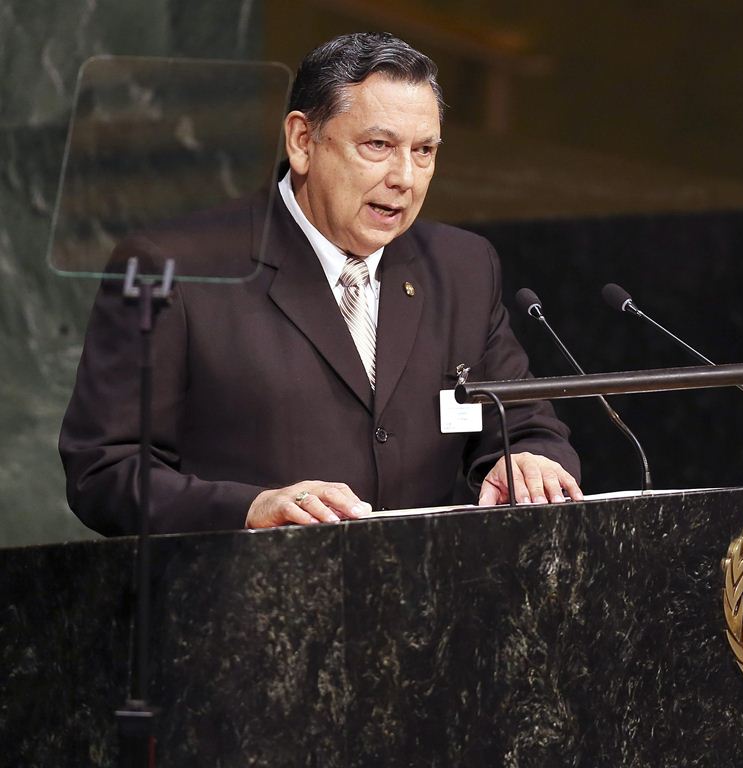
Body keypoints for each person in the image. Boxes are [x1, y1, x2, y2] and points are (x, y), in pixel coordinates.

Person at [60, 32, 582, 536]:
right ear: (302, 141)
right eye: (378, 145)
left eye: (424, 150)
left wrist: (531, 460)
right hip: (247, 588)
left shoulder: (462, 267)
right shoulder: (174, 268)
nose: (405, 177)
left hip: (430, 589)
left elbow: (526, 426)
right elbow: (104, 471)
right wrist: (250, 509)